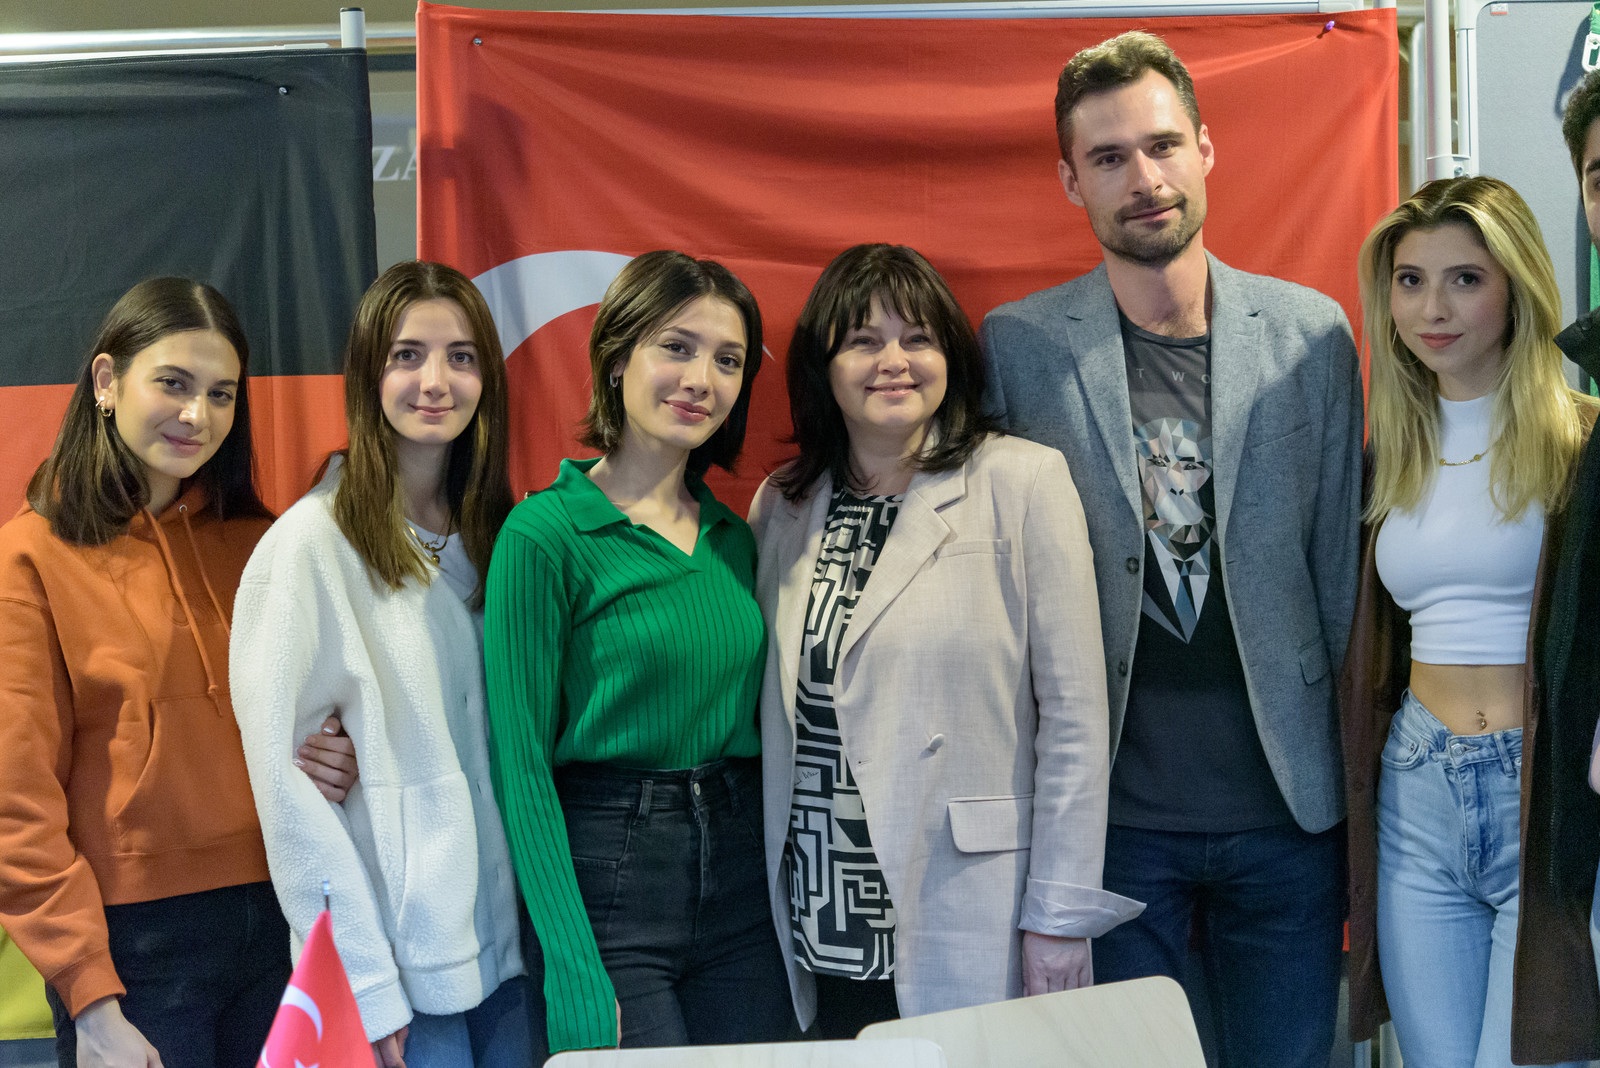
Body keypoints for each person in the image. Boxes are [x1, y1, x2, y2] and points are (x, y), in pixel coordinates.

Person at [977, 31, 1362, 1068]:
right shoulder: (1019, 346)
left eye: (1160, 146)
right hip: (1112, 822)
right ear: (1071, 180)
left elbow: (1338, 579)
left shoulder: (1313, 336)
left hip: (1288, 815)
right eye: (1108, 158)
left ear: (1205, 148)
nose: (1142, 180)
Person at [747, 243, 1142, 1039]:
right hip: (822, 904)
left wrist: (1060, 914)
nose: (893, 361)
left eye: (917, 338)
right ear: (824, 366)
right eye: (863, 341)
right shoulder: (782, 505)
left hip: (971, 903)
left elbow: (1075, 718)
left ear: (951, 357)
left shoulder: (1021, 481)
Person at [0, 278, 353, 1068]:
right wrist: (92, 1003)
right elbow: (15, 805)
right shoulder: (27, 558)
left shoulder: (266, 544)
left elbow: (319, 716)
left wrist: (340, 754)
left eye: (221, 394)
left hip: (286, 922)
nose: (198, 415)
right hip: (136, 954)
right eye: (173, 383)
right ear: (106, 381)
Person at [484, 250, 794, 1055]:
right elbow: (522, 771)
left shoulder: (734, 536)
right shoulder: (545, 535)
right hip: (611, 879)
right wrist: (571, 966)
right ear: (618, 356)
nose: (701, 379)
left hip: (741, 881)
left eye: (728, 360)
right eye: (676, 347)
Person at [231, 260, 528, 1068]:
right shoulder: (307, 547)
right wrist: (360, 985)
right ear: (368, 373)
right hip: (403, 976)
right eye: (407, 356)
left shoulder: (505, 536)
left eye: (461, 357)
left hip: (511, 957)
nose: (435, 381)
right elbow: (290, 797)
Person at [1341, 175, 1596, 1068]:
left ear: (1517, 286)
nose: (1432, 309)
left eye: (1465, 279)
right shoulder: (1389, 455)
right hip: (1417, 790)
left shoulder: (1584, 440)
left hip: (1544, 792)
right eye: (1410, 281)